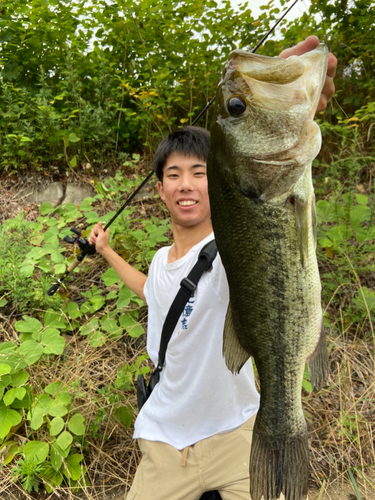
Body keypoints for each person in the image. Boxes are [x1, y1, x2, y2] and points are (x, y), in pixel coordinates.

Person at [89, 37, 337, 500]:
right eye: (174, 175)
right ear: (160, 189)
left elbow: (262, 243)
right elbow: (152, 293)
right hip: (164, 437)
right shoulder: (162, 261)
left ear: (221, 177)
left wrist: (285, 109)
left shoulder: (230, 251)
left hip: (237, 433)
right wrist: (106, 251)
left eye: (200, 172)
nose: (186, 185)